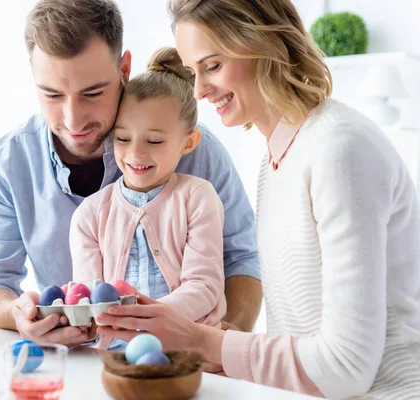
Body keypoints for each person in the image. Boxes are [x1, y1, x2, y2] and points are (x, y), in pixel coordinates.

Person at [96, 0, 420, 398]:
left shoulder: (339, 148)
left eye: (212, 66)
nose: (199, 90)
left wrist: (203, 340)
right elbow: (305, 335)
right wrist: (225, 348)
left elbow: (348, 366)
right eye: (193, 71)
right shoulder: (278, 155)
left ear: (264, 45)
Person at [0, 0, 262, 348]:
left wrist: (225, 344)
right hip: (83, 364)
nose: (73, 120)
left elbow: (241, 258)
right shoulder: (8, 162)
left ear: (125, 69)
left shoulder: (192, 147)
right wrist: (19, 315)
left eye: (92, 93)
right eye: (52, 94)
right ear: (33, 72)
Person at [70, 47, 226, 349]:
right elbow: (89, 298)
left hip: (190, 351)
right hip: (112, 355)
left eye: (154, 140)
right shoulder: (89, 215)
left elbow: (204, 287)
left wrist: (145, 318)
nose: (136, 153)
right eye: (123, 139)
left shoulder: (197, 198)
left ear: (188, 143)